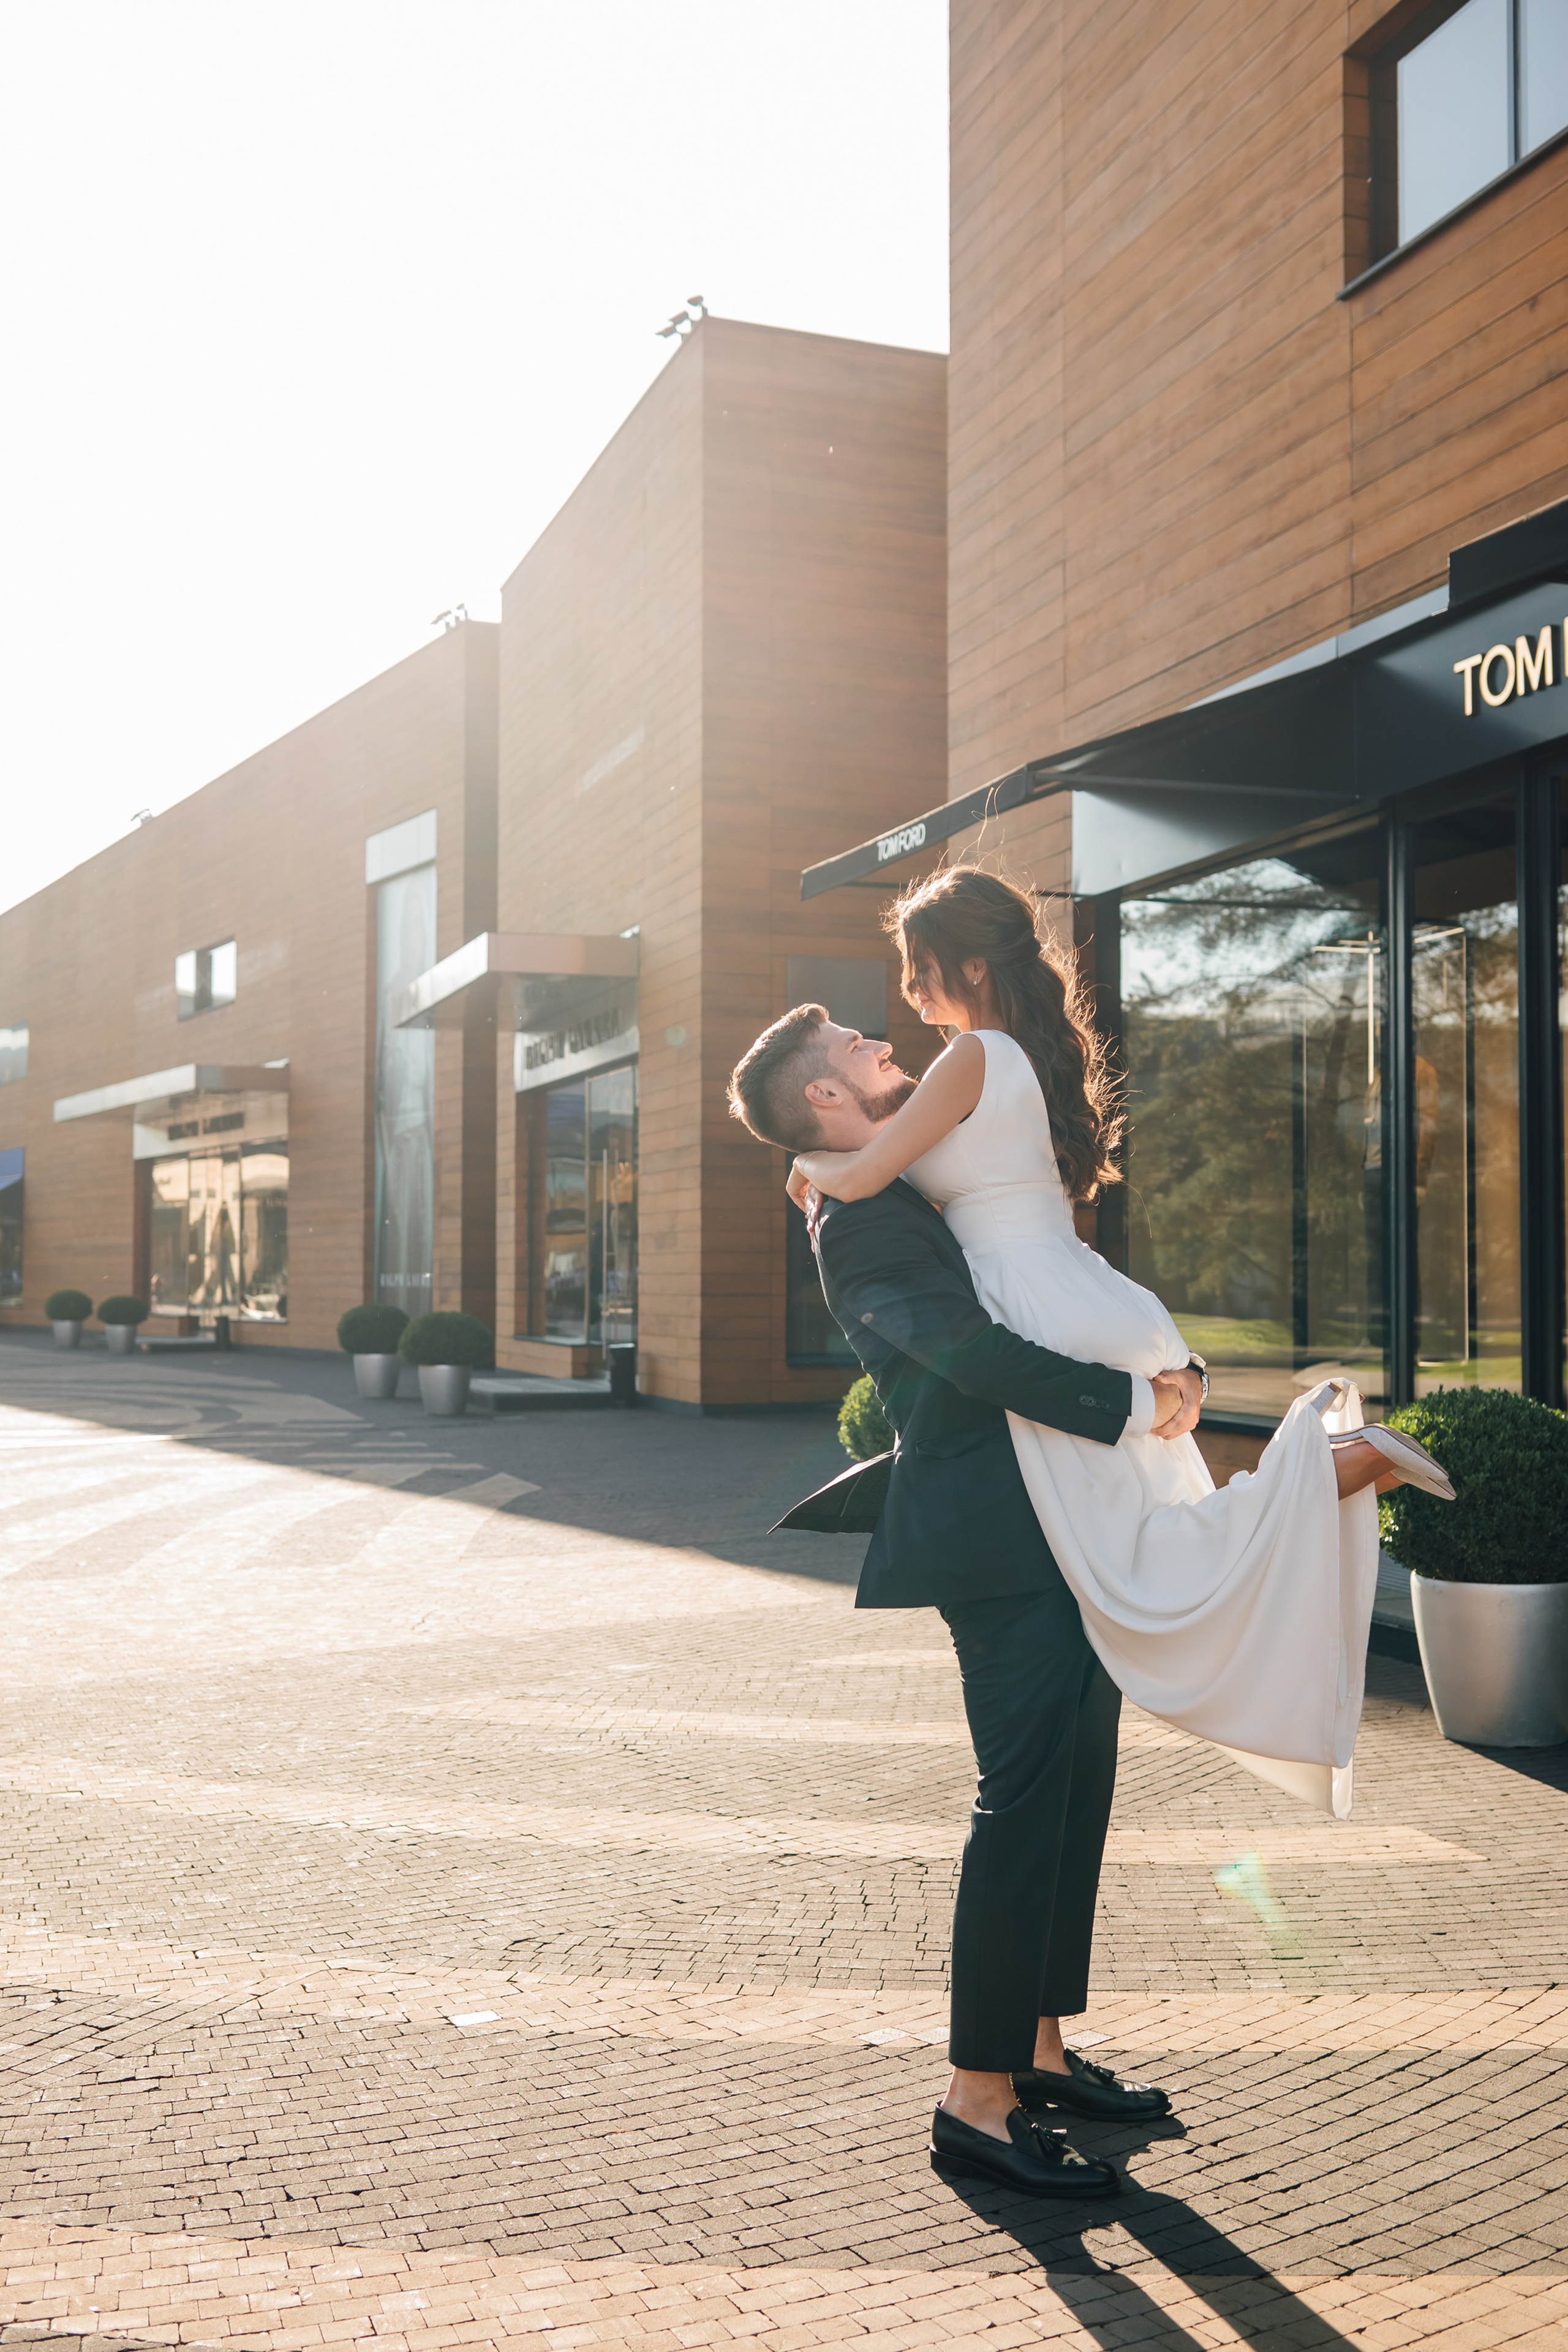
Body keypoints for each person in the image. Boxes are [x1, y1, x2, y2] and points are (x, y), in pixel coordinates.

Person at [786, 867, 1453, 1819]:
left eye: (918, 963)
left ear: (970, 965)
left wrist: (807, 1159)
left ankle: (1322, 1464)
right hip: (1084, 1292)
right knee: (1146, 1539)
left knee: (1126, 1563)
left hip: (1038, 1305)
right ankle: (1335, 1463)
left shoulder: (970, 1057)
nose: (907, 986)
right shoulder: (1014, 1057)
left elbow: (864, 1176)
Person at [728, 1007, 1204, 2200]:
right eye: (852, 1044)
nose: (875, 1039)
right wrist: (1136, 1403)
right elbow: (968, 1357)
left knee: (1072, 1789)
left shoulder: (883, 1184)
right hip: (992, 1540)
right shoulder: (860, 1219)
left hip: (1050, 1517)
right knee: (1023, 1800)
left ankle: (1038, 2052)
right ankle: (975, 2101)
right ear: (823, 1096)